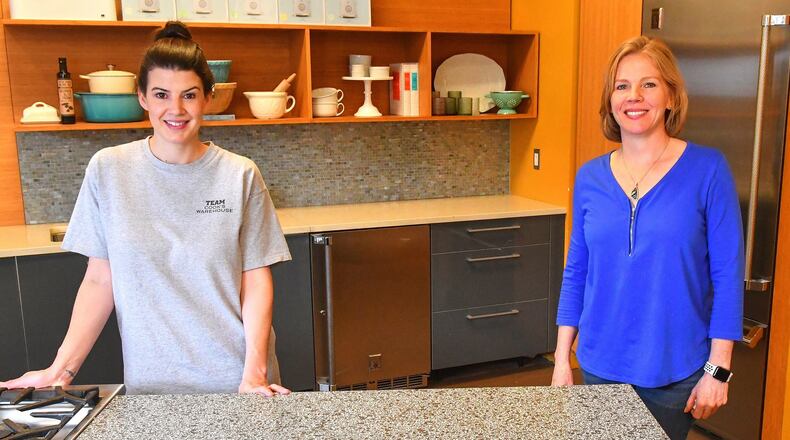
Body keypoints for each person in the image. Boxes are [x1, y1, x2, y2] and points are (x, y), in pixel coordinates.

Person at [0, 21, 292, 396]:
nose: (176, 109)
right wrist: (61, 369)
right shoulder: (108, 170)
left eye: (189, 95)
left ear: (207, 97)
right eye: (161, 94)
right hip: (151, 386)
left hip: (236, 382)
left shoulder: (239, 175)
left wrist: (254, 373)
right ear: (142, 97)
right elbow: (100, 279)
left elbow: (256, 280)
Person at [551, 36, 743, 440]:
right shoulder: (589, 177)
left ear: (671, 96)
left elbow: (727, 277)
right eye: (622, 86)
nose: (634, 96)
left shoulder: (708, 170)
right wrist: (561, 359)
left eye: (649, 84)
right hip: (599, 365)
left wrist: (718, 370)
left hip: (674, 372)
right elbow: (577, 272)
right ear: (610, 100)